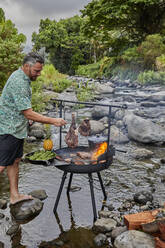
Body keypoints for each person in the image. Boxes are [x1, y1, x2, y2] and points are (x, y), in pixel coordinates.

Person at [0, 52, 66, 205]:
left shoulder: (23, 77)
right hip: (8, 128)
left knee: (15, 161)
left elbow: (23, 108)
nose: (39, 73)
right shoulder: (19, 82)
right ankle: (14, 195)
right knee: (1, 165)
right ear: (26, 66)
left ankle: (14, 196)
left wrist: (26, 119)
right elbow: (28, 112)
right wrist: (53, 121)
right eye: (36, 70)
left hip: (17, 128)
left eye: (40, 70)